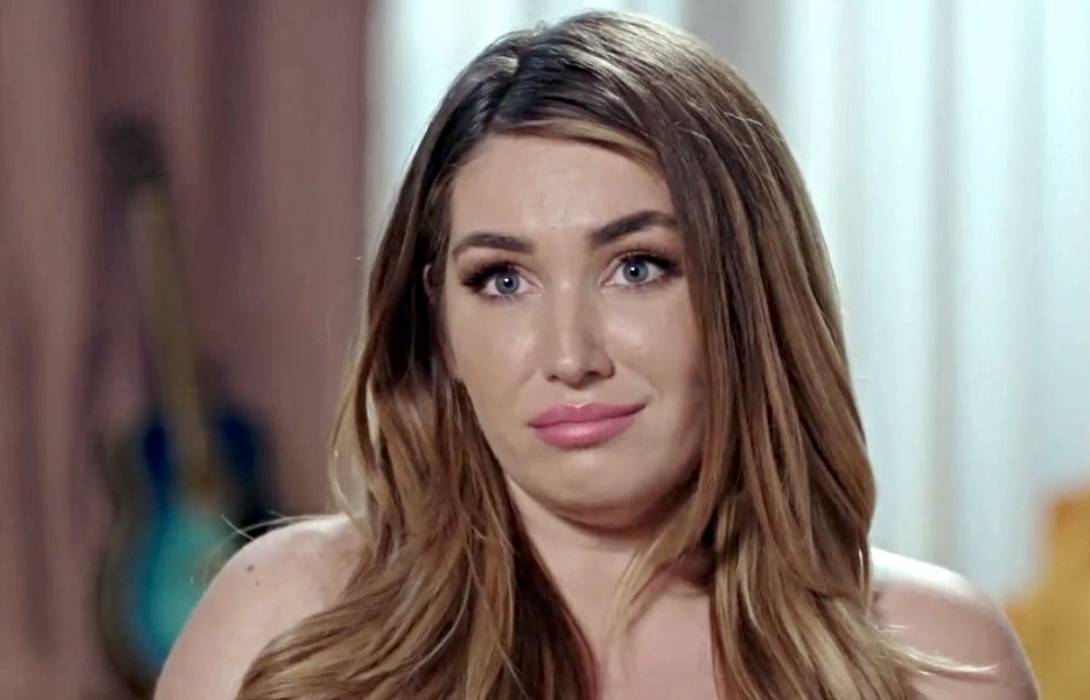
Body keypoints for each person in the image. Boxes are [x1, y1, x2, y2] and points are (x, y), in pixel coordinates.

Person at [155, 10, 1038, 700]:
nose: (569, 355)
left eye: (638, 267)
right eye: (503, 280)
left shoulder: (932, 660)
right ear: (440, 325)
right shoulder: (289, 619)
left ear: (747, 296)